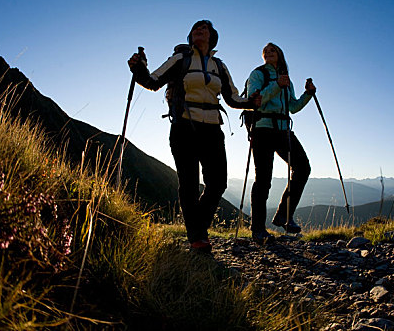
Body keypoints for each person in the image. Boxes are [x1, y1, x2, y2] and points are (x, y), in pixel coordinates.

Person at [128, 20, 259, 253]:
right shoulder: (180, 59)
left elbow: (232, 98)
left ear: (212, 36)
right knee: (188, 183)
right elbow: (152, 81)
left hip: (212, 130)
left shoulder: (219, 66)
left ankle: (197, 227)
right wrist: (139, 68)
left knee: (217, 183)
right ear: (190, 37)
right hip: (184, 127)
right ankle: (197, 237)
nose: (199, 30)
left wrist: (251, 102)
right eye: (195, 28)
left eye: (204, 28)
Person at [246, 43, 315, 244]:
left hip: (283, 129)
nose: (268, 52)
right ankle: (258, 228)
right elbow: (255, 100)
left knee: (302, 167)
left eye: (272, 50)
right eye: (265, 51)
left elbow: (292, 107)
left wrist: (308, 94)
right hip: (263, 128)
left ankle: (283, 216)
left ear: (280, 55)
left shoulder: (286, 79)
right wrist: (277, 86)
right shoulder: (258, 74)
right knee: (264, 178)